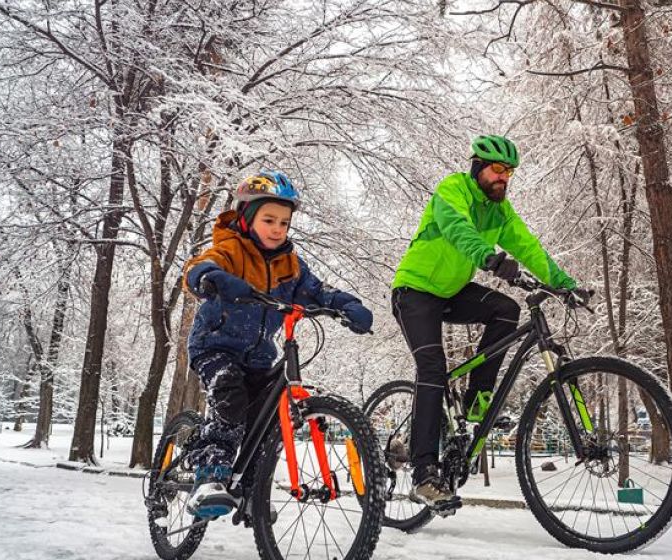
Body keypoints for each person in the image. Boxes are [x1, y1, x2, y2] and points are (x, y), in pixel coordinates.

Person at [391, 135, 585, 507]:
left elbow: (528, 246)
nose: (504, 178)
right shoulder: (453, 189)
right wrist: (489, 257)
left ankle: (477, 397)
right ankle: (423, 473)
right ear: (478, 167)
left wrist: (565, 284)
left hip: (450, 293)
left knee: (506, 309)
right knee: (431, 369)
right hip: (414, 292)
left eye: (509, 171)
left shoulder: (500, 211)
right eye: (497, 169)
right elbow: (456, 228)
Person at [182, 170, 373, 518]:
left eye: (284, 223)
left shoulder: (290, 264)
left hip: (258, 357)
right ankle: (209, 475)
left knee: (266, 418)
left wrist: (346, 305)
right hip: (215, 347)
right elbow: (200, 266)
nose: (277, 229)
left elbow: (317, 292)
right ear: (247, 217)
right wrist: (212, 278)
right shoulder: (231, 250)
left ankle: (251, 490)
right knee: (230, 393)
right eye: (269, 220)